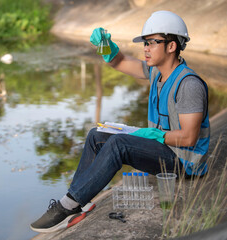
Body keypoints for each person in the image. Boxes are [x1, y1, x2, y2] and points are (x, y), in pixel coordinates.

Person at [30, 10, 210, 233]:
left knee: (119, 144)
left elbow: (189, 137)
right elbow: (122, 61)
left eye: (152, 43)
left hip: (184, 163)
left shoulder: (189, 84)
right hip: (164, 149)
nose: (145, 48)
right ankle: (78, 200)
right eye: (145, 43)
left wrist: (155, 135)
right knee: (97, 135)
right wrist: (106, 46)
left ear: (171, 46)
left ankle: (67, 206)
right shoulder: (156, 72)